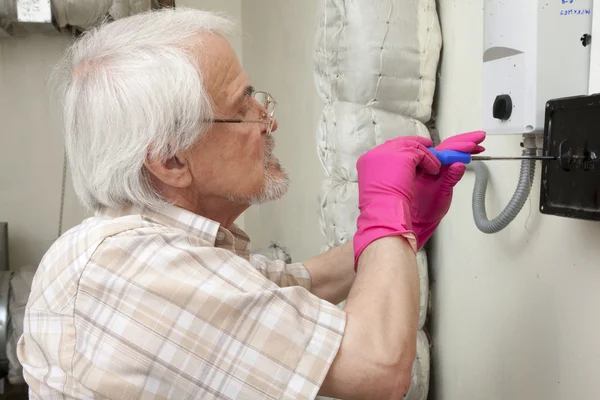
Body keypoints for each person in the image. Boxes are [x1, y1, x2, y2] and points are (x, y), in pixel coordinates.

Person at [16, 7, 485, 400]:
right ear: (171, 158)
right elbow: (378, 366)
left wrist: (400, 223)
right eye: (242, 107)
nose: (268, 120)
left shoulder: (137, 248)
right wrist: (385, 215)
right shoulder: (131, 271)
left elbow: (295, 286)